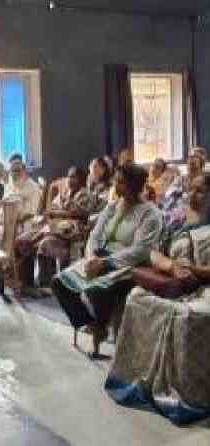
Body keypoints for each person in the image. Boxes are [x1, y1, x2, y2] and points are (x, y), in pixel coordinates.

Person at [105, 173, 210, 424]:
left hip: (204, 286)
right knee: (137, 297)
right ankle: (135, 377)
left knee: (189, 315)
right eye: (190, 190)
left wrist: (194, 271)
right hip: (176, 281)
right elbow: (154, 252)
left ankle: (188, 394)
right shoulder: (177, 220)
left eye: (200, 191)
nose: (191, 195)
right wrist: (171, 267)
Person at [51, 164, 164, 358]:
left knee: (97, 289)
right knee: (59, 283)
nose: (115, 185)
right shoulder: (113, 206)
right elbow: (95, 235)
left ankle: (100, 329)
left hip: (129, 266)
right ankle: (93, 325)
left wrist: (106, 262)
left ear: (135, 185)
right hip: (99, 257)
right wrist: (91, 257)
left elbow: (141, 251)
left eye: (120, 182)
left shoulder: (150, 213)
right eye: (116, 181)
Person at [14, 167, 96, 295]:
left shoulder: (86, 194)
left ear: (82, 179)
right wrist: (59, 213)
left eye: (74, 177)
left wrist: (59, 213)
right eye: (69, 176)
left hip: (71, 232)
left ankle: (46, 285)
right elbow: (51, 209)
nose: (70, 179)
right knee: (22, 239)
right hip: (53, 226)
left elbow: (78, 213)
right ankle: (26, 283)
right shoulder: (65, 193)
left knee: (46, 244)